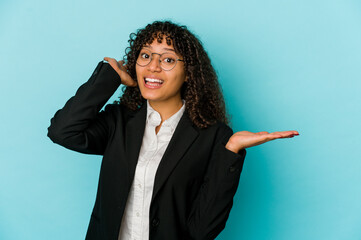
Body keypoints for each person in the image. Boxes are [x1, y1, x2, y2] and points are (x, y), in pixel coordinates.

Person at [47, 20, 299, 240]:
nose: (153, 66)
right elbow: (62, 132)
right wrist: (108, 78)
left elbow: (203, 230)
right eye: (145, 56)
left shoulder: (213, 137)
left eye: (167, 59)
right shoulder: (119, 121)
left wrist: (231, 151)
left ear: (188, 73)